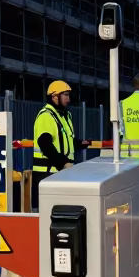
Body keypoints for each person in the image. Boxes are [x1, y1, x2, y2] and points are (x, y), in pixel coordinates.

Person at [32, 80, 91, 209]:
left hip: (60, 172)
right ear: (54, 96)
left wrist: (80, 143)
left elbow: (65, 141)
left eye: (68, 95)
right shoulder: (46, 115)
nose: (68, 99)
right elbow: (45, 144)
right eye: (65, 95)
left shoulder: (65, 115)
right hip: (47, 173)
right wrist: (63, 163)